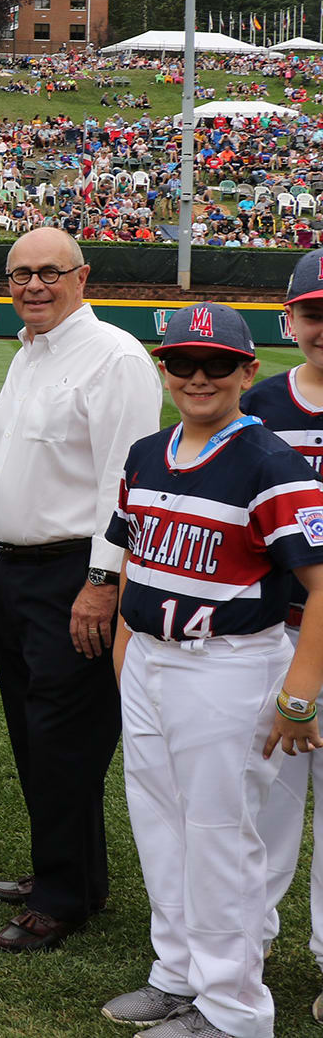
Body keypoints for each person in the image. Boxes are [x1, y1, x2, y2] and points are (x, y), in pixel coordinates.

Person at [99, 303, 323, 1038]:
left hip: (228, 665)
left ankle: (232, 1010)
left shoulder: (269, 461)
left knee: (220, 835)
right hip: (153, 660)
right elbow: (136, 554)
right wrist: (130, 637)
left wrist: (300, 692)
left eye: (217, 363)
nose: (198, 377)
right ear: (162, 367)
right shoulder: (145, 452)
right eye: (183, 362)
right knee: (160, 824)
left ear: (248, 370)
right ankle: (178, 975)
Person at [0, 227, 162, 952]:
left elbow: (129, 483)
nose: (32, 286)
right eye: (19, 274)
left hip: (73, 576)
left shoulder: (114, 356)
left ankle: (62, 898)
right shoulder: (28, 353)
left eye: (48, 272)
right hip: (18, 570)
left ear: (82, 275)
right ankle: (71, 872)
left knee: (65, 738)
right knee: (34, 731)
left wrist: (100, 582)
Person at [241, 248, 323, 1014]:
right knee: (263, 794)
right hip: (278, 631)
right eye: (315, 311)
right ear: (289, 317)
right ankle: (249, 938)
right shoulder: (262, 401)